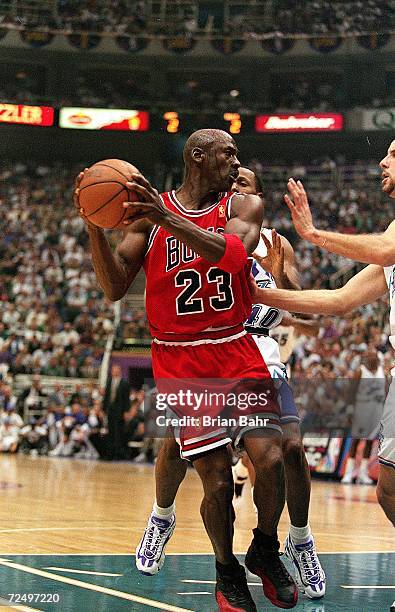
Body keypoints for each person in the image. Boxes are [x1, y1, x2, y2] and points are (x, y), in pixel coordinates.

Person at [75, 130, 297, 611]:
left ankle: (264, 548)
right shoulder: (148, 219)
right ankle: (226, 570)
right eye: (227, 153)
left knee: (272, 458)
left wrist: (165, 216)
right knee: (216, 479)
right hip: (180, 360)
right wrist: (94, 224)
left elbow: (233, 256)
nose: (235, 162)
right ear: (197, 156)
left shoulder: (242, 206)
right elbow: (114, 287)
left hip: (235, 348)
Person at [137, 166, 325, 601]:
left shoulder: (275, 241)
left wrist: (279, 278)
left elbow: (306, 311)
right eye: (232, 180)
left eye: (244, 183)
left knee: (288, 450)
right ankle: (162, 516)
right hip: (203, 356)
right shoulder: (196, 227)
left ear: (257, 197)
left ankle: (297, 539)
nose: (234, 185)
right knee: (176, 444)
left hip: (260, 354)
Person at [254, 140, 395, 526]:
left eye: (394, 154)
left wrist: (314, 234)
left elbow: (384, 249)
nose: (383, 161)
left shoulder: (390, 242)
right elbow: (339, 299)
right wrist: (260, 292)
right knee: (389, 491)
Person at [341, 348, 386, 485]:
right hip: (361, 408)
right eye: (369, 356)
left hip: (376, 409)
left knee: (370, 441)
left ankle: (362, 474)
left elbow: (385, 392)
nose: (372, 358)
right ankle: (348, 474)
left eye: (374, 356)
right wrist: (349, 410)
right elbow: (351, 392)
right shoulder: (360, 371)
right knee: (356, 440)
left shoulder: (381, 371)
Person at [102, 364, 131, 460]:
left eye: (116, 370)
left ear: (119, 371)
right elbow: (106, 397)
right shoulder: (109, 382)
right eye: (113, 370)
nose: (114, 372)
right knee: (110, 432)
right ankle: (109, 454)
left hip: (120, 411)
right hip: (110, 410)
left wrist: (126, 411)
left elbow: (126, 399)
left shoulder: (124, 383)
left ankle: (117, 454)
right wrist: (103, 409)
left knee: (118, 433)